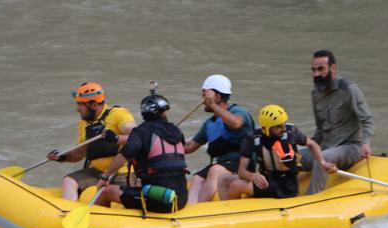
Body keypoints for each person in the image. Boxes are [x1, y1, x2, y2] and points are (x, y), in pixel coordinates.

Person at [95, 89, 188, 214]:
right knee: (139, 184)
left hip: (160, 199)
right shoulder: (177, 132)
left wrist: (105, 176)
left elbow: (125, 154)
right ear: (162, 113)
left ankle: (99, 224)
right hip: (181, 197)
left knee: (106, 192)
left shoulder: (141, 132)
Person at [218, 104, 334, 200]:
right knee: (223, 179)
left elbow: (312, 144)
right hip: (266, 179)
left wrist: (322, 163)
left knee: (236, 185)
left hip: (285, 186)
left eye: (283, 124)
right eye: (278, 126)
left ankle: (232, 215)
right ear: (266, 129)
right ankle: (223, 210)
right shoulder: (252, 139)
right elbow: (241, 171)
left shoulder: (290, 133)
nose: (283, 129)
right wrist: (252, 175)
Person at [301, 49, 374, 194]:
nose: (316, 74)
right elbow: (320, 129)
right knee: (290, 155)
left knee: (323, 157)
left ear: (333, 68)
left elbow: (367, 119)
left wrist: (366, 143)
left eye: (321, 69)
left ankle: (311, 199)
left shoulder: (349, 90)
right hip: (326, 145)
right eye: (313, 70)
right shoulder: (315, 94)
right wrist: (309, 145)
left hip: (351, 147)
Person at [47, 82, 136, 201]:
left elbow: (137, 135)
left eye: (80, 104)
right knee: (69, 181)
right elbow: (80, 153)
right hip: (97, 172)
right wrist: (61, 157)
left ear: (93, 105)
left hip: (122, 171)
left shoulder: (118, 114)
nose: (77, 109)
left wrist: (115, 138)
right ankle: (67, 213)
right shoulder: (83, 124)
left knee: (113, 193)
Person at [183, 75, 255, 204]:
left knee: (215, 170)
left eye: (205, 96)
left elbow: (237, 123)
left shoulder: (238, 111)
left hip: (241, 163)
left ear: (217, 96)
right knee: (198, 178)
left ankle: (201, 209)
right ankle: (189, 211)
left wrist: (213, 105)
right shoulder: (209, 123)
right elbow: (190, 146)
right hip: (222, 164)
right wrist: (167, 145)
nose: (203, 101)